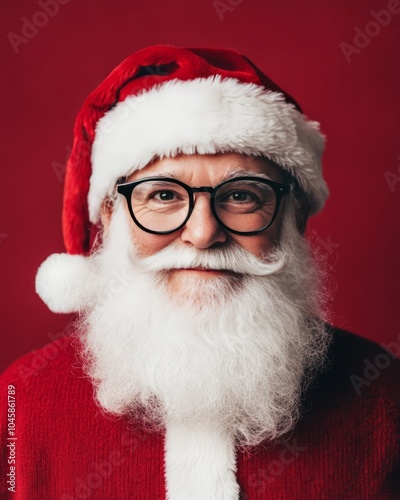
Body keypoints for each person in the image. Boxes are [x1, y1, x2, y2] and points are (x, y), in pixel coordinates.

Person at [0, 45, 399, 500]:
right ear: (110, 218)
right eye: (164, 196)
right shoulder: (19, 402)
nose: (204, 233)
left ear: (292, 219)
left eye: (242, 196)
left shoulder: (386, 394)